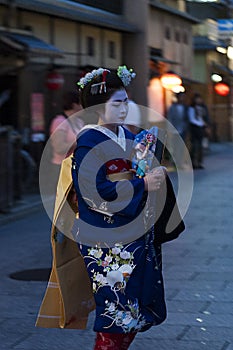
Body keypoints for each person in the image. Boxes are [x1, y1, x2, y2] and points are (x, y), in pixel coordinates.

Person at [36, 66, 185, 350]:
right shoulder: (88, 140)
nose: (124, 107)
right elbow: (93, 192)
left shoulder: (126, 136)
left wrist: (152, 171)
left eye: (126, 101)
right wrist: (143, 185)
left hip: (134, 234)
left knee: (133, 309)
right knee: (116, 311)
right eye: (117, 102)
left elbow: (139, 174)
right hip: (108, 239)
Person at [48, 91, 84, 193]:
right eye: (80, 104)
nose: (83, 107)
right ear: (74, 105)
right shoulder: (59, 122)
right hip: (62, 167)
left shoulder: (79, 121)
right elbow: (59, 148)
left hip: (76, 166)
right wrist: (79, 142)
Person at [167, 92, 189, 169]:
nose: (183, 98)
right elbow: (170, 118)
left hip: (183, 129)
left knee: (181, 147)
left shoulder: (186, 107)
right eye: (181, 97)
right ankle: (175, 162)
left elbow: (186, 119)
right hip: (174, 130)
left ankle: (180, 163)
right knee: (175, 147)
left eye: (184, 97)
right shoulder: (172, 107)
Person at [188, 93, 210, 169]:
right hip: (194, 128)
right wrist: (200, 123)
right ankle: (193, 162)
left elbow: (205, 117)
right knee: (194, 146)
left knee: (200, 146)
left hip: (201, 128)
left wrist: (206, 125)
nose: (198, 100)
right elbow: (192, 119)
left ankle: (200, 162)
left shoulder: (203, 107)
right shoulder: (191, 108)